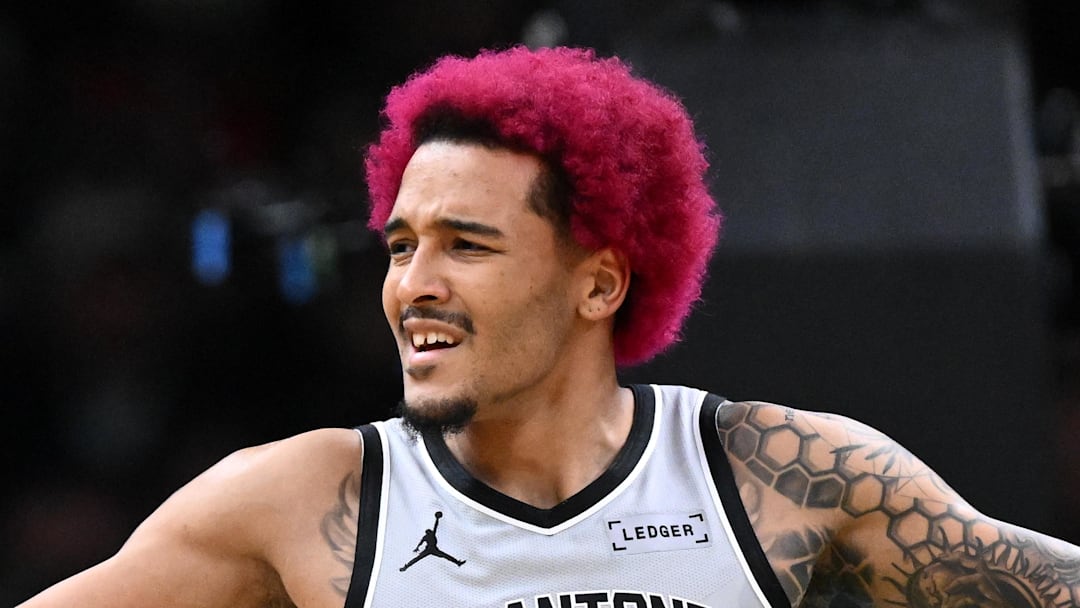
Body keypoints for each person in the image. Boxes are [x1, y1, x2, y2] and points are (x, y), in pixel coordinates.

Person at [17, 45, 1080, 608]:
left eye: (466, 245)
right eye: (399, 245)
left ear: (601, 281)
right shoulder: (303, 497)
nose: (412, 285)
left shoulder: (783, 474)